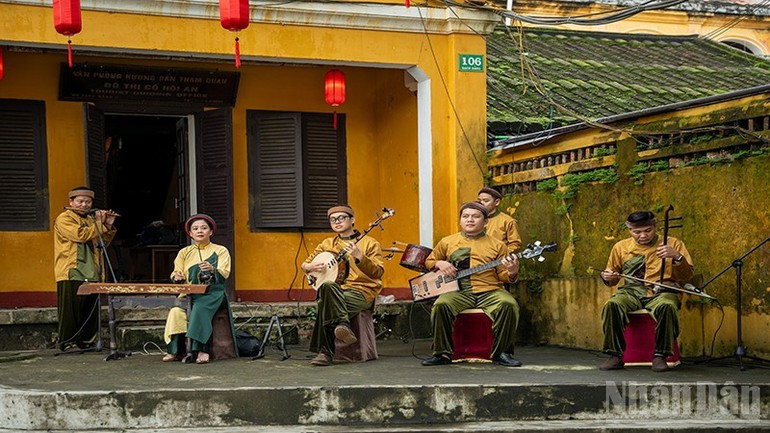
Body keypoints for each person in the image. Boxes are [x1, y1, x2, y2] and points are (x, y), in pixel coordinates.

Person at [421, 202, 522, 367]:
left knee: (509, 304)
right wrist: (440, 263)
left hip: (490, 290)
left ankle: (502, 353)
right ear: (460, 220)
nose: (470, 220)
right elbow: (429, 261)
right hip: (458, 291)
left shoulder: (498, 245)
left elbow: (503, 276)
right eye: (465, 216)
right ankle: (442, 353)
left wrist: (512, 272)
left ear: (486, 222)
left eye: (476, 217)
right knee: (441, 305)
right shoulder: (447, 242)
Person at [598, 210, 694, 372]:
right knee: (612, 305)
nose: (643, 235)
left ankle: (660, 355)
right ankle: (615, 355)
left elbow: (687, 276)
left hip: (662, 290)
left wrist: (677, 257)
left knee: (667, 306)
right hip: (631, 291)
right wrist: (606, 276)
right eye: (637, 232)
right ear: (630, 230)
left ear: (655, 227)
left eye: (647, 230)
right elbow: (612, 277)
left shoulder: (673, 243)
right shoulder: (620, 247)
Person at [301, 205, 384, 366]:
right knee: (327, 287)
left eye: (341, 218)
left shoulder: (370, 243)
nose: (336, 222)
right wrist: (309, 267)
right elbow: (306, 263)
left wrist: (360, 257)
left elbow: (378, 272)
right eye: (333, 220)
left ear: (352, 220)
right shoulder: (327, 244)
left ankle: (325, 353)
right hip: (335, 291)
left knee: (326, 305)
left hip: (361, 291)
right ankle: (342, 324)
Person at [163, 214, 237, 364]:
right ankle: (174, 350)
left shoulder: (221, 250)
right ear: (190, 233)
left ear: (211, 231)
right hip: (190, 292)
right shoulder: (184, 252)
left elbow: (224, 273)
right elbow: (176, 272)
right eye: (195, 229)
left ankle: (201, 349)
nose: (199, 231)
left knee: (199, 308)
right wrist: (177, 276)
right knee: (176, 312)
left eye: (204, 228)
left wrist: (212, 269)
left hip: (213, 293)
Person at [54, 187, 117, 351]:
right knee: (71, 310)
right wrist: (99, 223)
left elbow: (102, 243)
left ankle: (88, 341)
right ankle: (68, 342)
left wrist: (108, 225)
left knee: (90, 307)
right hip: (72, 269)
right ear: (71, 202)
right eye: (80, 201)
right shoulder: (64, 218)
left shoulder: (91, 220)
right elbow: (79, 235)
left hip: (93, 268)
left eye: (87, 202)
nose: (84, 205)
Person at [477, 187, 522, 254]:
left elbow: (515, 244)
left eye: (485, 201)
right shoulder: (475, 219)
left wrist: (502, 255)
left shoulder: (507, 221)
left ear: (497, 202)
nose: (481, 203)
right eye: (479, 201)